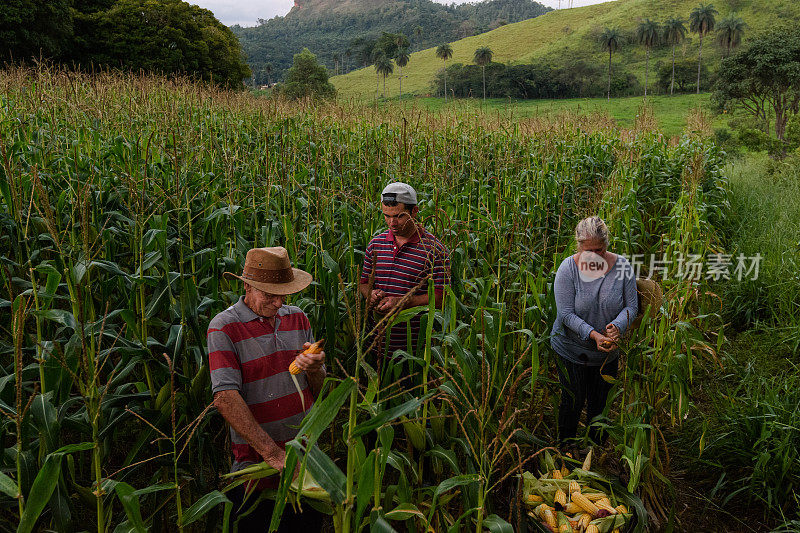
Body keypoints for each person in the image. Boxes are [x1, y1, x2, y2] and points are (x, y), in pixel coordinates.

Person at [208, 246, 326, 532]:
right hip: (257, 467)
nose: (277, 302)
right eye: (269, 295)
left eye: (282, 294)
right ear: (247, 286)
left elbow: (320, 390)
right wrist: (273, 454)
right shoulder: (224, 328)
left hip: (306, 459)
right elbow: (225, 398)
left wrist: (314, 368)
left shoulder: (298, 318)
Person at [550, 216, 637, 449]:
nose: (594, 256)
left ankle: (595, 455)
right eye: (588, 251)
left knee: (600, 406)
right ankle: (565, 451)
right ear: (578, 246)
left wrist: (617, 326)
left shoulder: (622, 267)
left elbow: (632, 306)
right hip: (571, 349)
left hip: (607, 352)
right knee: (572, 401)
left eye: (599, 250)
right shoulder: (568, 269)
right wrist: (594, 335)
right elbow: (566, 315)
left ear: (607, 244)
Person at [358, 182, 450, 366]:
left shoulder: (435, 250)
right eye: (387, 216)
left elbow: (441, 298)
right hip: (375, 347)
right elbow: (364, 283)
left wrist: (401, 302)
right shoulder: (375, 244)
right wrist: (371, 294)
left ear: (414, 211)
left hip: (414, 352)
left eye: (399, 216)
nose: (392, 223)